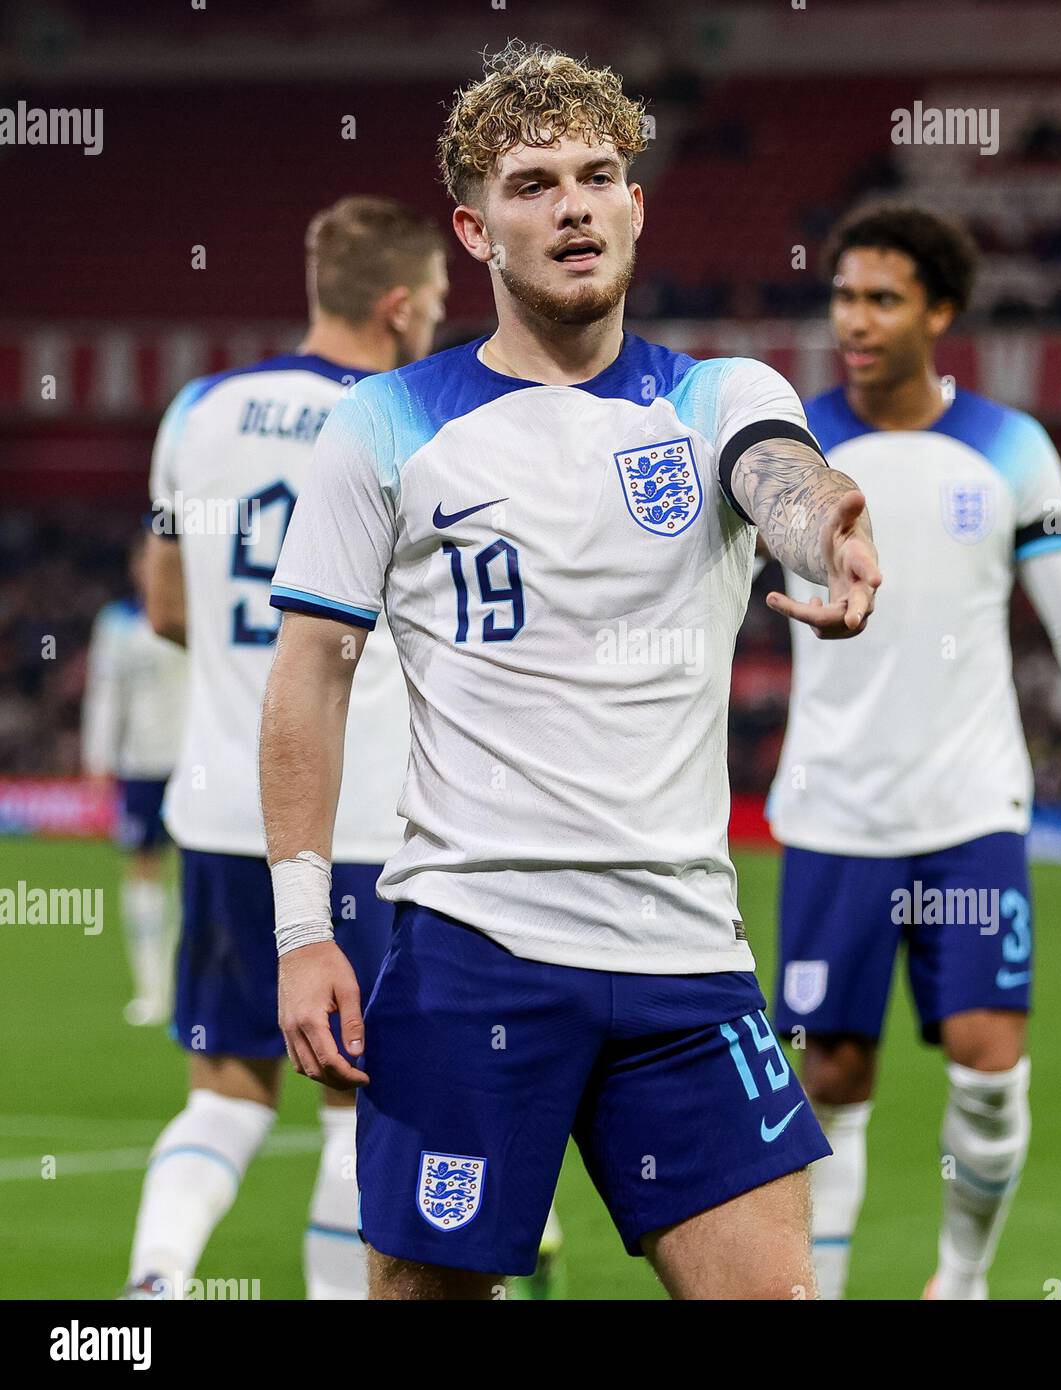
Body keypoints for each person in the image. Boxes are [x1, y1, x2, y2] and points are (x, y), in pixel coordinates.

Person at [259, 42, 881, 1301]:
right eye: (532, 184)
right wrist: (299, 930)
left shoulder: (715, 393)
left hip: (686, 956)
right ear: (474, 227)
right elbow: (310, 677)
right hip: (470, 949)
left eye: (598, 175)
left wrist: (827, 524)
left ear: (637, 205)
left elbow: (780, 474)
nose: (573, 204)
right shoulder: (384, 424)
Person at [767, 203, 1061, 1300]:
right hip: (833, 818)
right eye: (843, 296)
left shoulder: (1009, 445)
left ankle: (958, 1284)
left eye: (882, 298)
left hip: (969, 811)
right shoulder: (787, 450)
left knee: (989, 1063)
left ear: (940, 312)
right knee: (833, 1073)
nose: (853, 320)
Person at [122, 196, 447, 1300]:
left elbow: (165, 605)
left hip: (221, 804)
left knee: (224, 1090)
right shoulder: (416, 417)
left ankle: (159, 1279)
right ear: (399, 304)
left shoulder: (199, 408)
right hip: (359, 819)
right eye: (438, 304)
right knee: (365, 1104)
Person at [82, 528, 188, 1025]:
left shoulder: (198, 614)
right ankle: (151, 988)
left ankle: (187, 982)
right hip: (140, 765)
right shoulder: (118, 623)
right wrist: (98, 759)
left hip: (192, 762)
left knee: (195, 877)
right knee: (143, 869)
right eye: (143, 559)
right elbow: (105, 695)